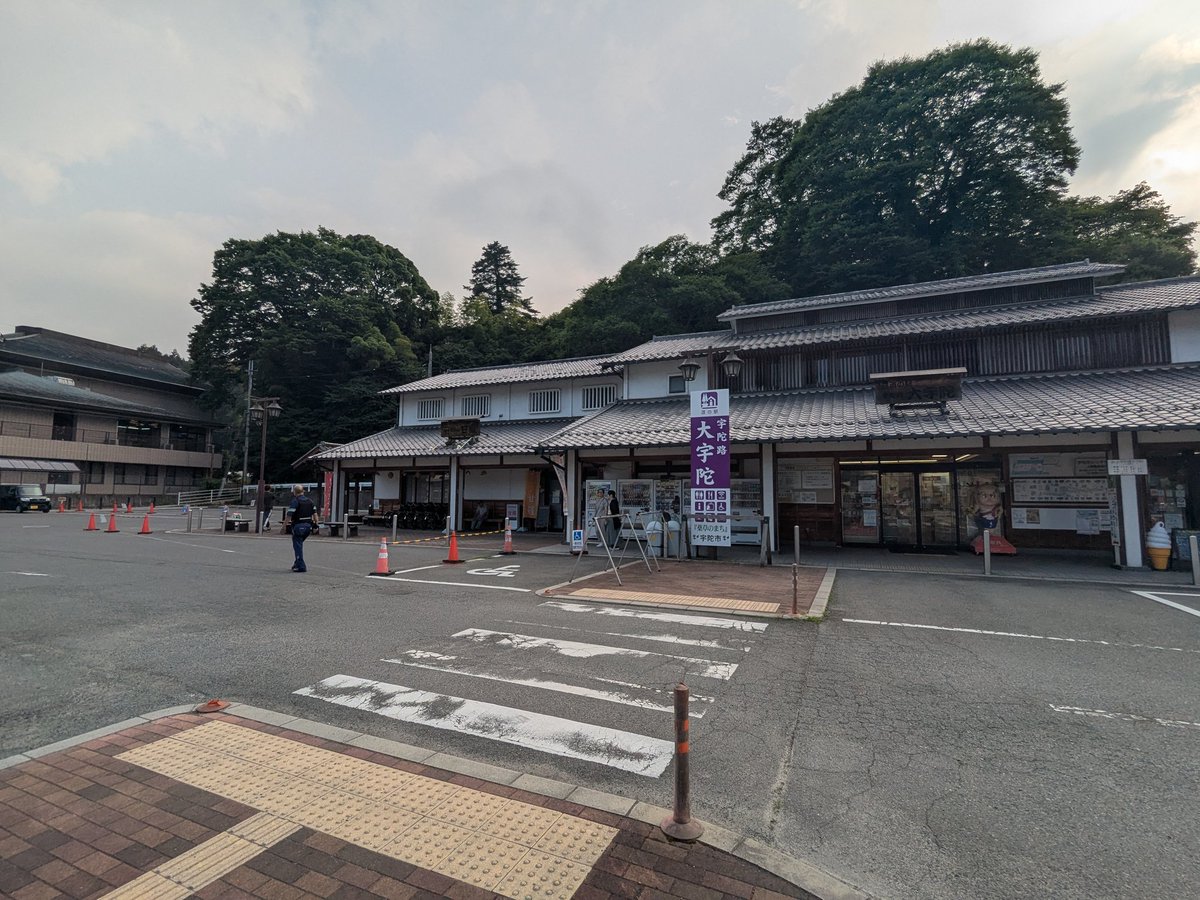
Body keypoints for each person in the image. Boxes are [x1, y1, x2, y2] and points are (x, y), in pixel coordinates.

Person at [287, 484, 319, 573]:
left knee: (297, 546)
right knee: (299, 544)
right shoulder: (310, 501)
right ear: (303, 491)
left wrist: (284, 526)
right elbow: (315, 515)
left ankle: (301, 566)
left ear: (294, 492)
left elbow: (289, 515)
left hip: (298, 526)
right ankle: (297, 563)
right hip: (308, 526)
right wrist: (316, 525)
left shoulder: (295, 501)